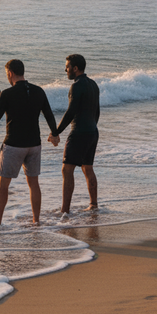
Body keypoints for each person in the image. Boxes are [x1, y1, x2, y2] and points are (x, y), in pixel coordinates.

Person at [0, 59, 58, 225]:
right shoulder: (38, 91)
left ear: (10, 73)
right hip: (34, 144)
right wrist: (55, 134)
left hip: (14, 145)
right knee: (33, 183)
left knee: (3, 185)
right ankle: (36, 220)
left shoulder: (8, 93)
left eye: (7, 74)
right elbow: (48, 114)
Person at [49, 54, 100, 214]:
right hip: (92, 131)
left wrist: (56, 132)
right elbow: (97, 111)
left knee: (67, 169)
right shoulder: (93, 84)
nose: (66, 69)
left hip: (79, 132)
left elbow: (71, 112)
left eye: (68, 66)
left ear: (75, 68)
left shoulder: (76, 86)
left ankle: (65, 211)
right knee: (87, 168)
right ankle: (93, 204)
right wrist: (91, 127)